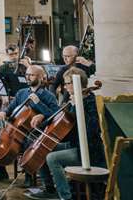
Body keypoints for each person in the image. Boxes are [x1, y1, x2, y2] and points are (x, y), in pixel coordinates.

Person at [26, 67, 105, 200]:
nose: (65, 86)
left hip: (88, 150)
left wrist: (78, 107)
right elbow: (59, 119)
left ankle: (65, 196)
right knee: (43, 148)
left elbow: (92, 129)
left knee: (52, 158)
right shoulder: (73, 99)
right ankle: (49, 189)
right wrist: (42, 121)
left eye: (68, 83)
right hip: (74, 144)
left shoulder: (90, 101)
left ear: (78, 83)